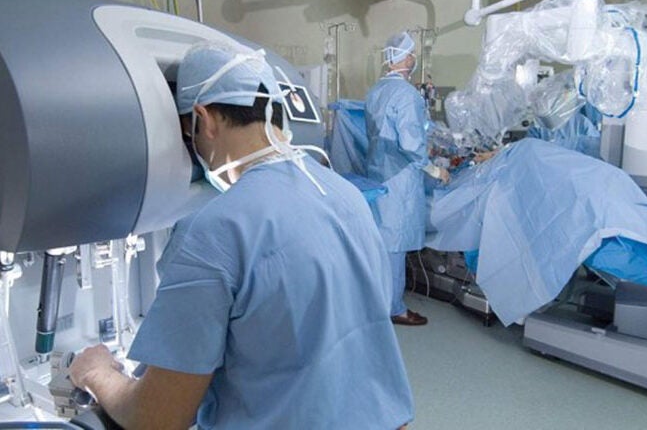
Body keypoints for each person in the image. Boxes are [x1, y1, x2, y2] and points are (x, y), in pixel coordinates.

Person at [69, 42, 414, 429]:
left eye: (188, 132)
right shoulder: (344, 194)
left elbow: (157, 419)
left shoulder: (216, 229)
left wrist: (96, 372)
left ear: (204, 120)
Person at [365, 31, 449, 327]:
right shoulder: (407, 95)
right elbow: (412, 144)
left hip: (378, 174)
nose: (413, 59)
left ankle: (377, 302)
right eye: (412, 54)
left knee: (381, 243)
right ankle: (395, 308)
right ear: (404, 58)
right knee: (395, 245)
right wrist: (435, 169)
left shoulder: (375, 91)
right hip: (399, 178)